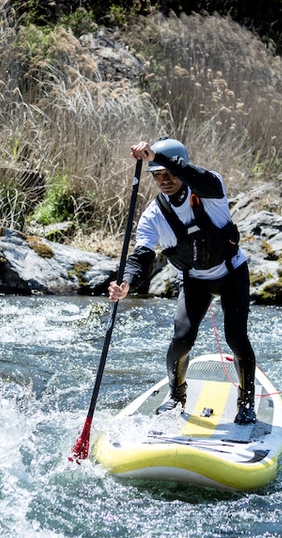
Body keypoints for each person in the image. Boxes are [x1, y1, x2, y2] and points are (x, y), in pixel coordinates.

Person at [107, 138, 257, 425]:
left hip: (232, 274)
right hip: (195, 281)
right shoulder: (153, 217)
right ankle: (176, 397)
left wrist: (158, 156)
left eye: (170, 173)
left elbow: (196, 176)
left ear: (182, 168)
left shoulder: (212, 190)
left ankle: (246, 401)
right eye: (157, 175)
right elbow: (141, 256)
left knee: (235, 337)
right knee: (181, 340)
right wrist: (126, 282)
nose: (165, 180)